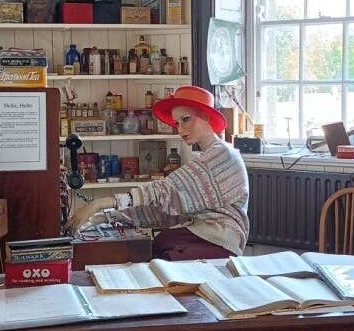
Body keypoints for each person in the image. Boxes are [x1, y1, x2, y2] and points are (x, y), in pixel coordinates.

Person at [67, 86, 250, 260]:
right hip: (201, 236)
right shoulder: (208, 156)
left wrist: (100, 203)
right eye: (177, 123)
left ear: (207, 117)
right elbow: (163, 209)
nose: (180, 129)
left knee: (156, 250)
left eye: (186, 119)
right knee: (157, 244)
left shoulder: (223, 154)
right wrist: (104, 217)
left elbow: (166, 190)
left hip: (219, 241)